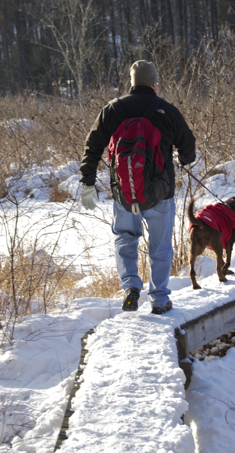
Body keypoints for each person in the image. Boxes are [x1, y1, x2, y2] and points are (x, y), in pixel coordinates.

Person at [79, 60, 196, 314]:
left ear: (131, 83)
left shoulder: (112, 109)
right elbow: (188, 145)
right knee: (161, 246)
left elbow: (92, 146)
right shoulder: (166, 110)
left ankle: (131, 286)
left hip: (124, 194)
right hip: (160, 193)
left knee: (125, 238)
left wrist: (88, 182)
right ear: (155, 84)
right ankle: (159, 300)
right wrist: (184, 160)